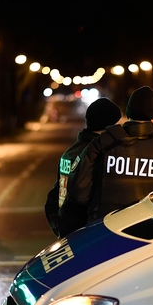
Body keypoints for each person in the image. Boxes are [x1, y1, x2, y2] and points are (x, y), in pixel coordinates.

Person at [64, 86, 153, 223]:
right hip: (149, 236)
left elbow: (78, 194)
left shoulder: (102, 144)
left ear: (128, 115)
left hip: (103, 232)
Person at [45, 97, 121, 237]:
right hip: (85, 234)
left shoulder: (69, 153)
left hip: (66, 230)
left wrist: (59, 225)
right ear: (108, 127)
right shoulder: (97, 155)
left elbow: (53, 197)